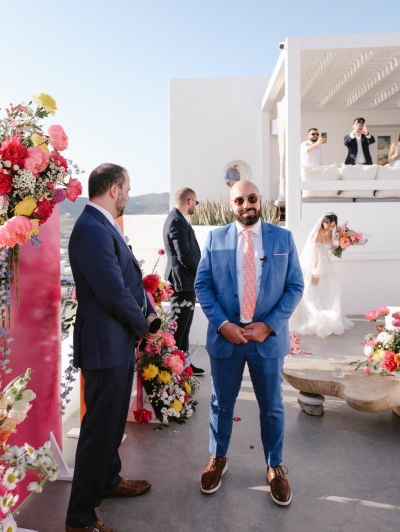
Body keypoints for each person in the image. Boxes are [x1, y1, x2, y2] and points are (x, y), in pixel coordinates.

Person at [195, 180, 303, 507]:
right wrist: (223, 324)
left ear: (260, 200)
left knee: (271, 407)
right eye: (239, 200)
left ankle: (275, 465)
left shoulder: (282, 239)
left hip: (266, 342)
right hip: (226, 339)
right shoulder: (215, 239)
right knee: (220, 405)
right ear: (232, 205)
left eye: (251, 198)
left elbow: (295, 286)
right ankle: (218, 458)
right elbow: (203, 285)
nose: (246, 205)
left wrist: (268, 326)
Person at [66, 163, 158, 532]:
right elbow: (112, 292)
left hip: (116, 343)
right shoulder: (91, 228)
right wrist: (144, 327)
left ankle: (108, 479)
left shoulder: (102, 225)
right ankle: (80, 518)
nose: (130, 195)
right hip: (105, 347)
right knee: (98, 431)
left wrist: (147, 317)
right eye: (128, 189)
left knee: (111, 422)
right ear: (114, 189)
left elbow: (127, 280)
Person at [289, 213, 354, 338]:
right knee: (313, 294)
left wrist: (343, 245)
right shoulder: (317, 234)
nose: (329, 227)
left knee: (332, 291)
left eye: (332, 225)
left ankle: (332, 317)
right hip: (317, 266)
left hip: (327, 266)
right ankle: (317, 319)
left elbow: (330, 248)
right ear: (322, 222)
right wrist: (315, 273)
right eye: (327, 224)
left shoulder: (330, 233)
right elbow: (314, 255)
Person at [163, 187, 204, 375]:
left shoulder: (179, 220)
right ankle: (173, 367)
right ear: (189, 201)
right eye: (195, 202)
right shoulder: (176, 221)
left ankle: (184, 363)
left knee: (184, 327)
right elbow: (184, 255)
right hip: (182, 282)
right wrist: (202, 272)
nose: (195, 205)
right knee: (178, 327)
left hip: (187, 281)